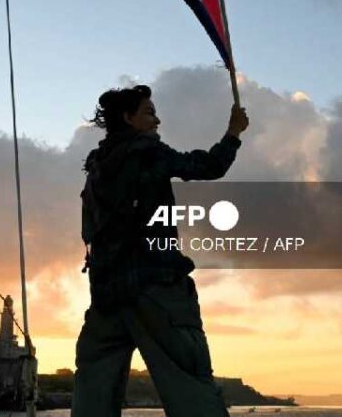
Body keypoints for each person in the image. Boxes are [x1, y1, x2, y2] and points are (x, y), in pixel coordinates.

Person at [72, 84, 249, 417]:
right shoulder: (147, 152)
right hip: (155, 288)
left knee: (93, 390)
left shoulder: (97, 167)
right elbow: (207, 167)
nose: (157, 120)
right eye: (149, 112)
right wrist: (233, 133)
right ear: (128, 118)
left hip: (106, 296)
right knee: (189, 380)